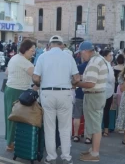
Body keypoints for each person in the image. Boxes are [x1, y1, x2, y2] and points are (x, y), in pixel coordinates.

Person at [33, 35, 80, 164]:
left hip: (48, 94)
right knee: (65, 128)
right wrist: (70, 83)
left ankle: (51, 157)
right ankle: (66, 157)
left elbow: (36, 78)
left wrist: (42, 82)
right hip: (64, 94)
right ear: (61, 44)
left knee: (49, 128)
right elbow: (76, 78)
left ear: (49, 45)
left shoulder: (43, 57)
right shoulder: (68, 57)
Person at [75, 41, 108, 161]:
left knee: (95, 126)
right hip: (96, 95)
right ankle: (93, 151)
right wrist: (82, 79)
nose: (80, 56)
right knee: (95, 124)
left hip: (94, 96)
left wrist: (77, 83)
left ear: (85, 51)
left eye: (81, 53)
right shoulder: (97, 60)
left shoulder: (94, 62)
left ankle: (94, 154)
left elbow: (90, 83)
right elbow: (91, 79)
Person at [4, 39, 36, 151]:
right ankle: (11, 143)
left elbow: (6, 72)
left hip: (9, 89)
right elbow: (36, 77)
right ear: (25, 50)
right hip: (18, 90)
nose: (33, 53)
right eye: (32, 50)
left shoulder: (14, 58)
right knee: (16, 116)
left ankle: (9, 140)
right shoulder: (25, 62)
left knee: (9, 115)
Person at [72, 58, 90, 143]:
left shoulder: (78, 67)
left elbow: (74, 81)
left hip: (79, 93)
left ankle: (76, 135)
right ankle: (88, 137)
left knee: (77, 115)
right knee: (88, 116)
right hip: (90, 93)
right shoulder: (92, 68)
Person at [100, 49, 115, 137]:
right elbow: (110, 79)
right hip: (106, 90)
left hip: (107, 90)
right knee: (105, 111)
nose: (111, 57)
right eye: (110, 55)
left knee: (104, 111)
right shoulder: (106, 65)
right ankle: (105, 129)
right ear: (105, 56)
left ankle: (104, 129)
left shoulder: (107, 64)